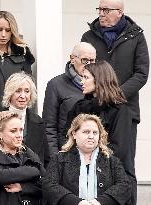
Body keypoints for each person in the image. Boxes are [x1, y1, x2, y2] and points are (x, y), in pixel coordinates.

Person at [81, 2, 149, 203]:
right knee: (95, 163)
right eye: (99, 10)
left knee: (124, 164)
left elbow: (141, 74)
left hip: (125, 110)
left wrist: (115, 94)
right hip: (95, 110)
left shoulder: (136, 36)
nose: (101, 14)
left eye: (106, 10)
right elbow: (83, 68)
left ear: (120, 13)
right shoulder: (89, 36)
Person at [65, 60, 135, 204]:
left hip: (112, 178)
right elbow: (67, 139)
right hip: (78, 174)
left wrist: (90, 158)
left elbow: (119, 149)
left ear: (99, 79)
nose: (81, 81)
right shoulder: (79, 107)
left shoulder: (120, 110)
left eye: (86, 77)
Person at [42, 113, 131, 205]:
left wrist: (100, 202)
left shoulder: (111, 161)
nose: (91, 136)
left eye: (95, 133)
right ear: (74, 134)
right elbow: (49, 185)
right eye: (86, 132)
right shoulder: (59, 159)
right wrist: (77, 202)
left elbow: (124, 185)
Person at [42, 42, 96, 156]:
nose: (89, 65)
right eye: (85, 60)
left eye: (92, 61)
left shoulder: (99, 86)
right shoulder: (56, 84)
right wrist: (55, 158)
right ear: (72, 59)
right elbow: (49, 126)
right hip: (67, 152)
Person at [0, 111, 44, 205]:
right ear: (0, 134)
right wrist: (33, 170)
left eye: (21, 130)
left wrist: (23, 187)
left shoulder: (27, 152)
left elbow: (46, 184)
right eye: (13, 131)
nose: (19, 135)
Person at [2, 72, 48, 164]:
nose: (23, 96)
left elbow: (45, 157)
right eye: (18, 91)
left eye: (27, 91)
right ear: (10, 93)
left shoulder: (39, 122)